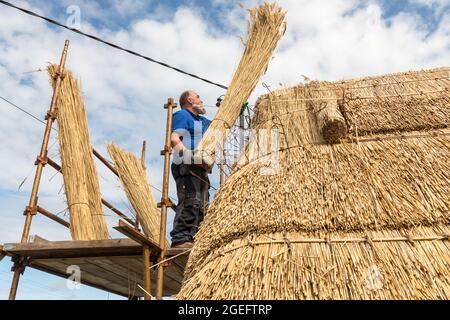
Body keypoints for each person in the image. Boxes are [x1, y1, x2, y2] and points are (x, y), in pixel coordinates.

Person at [170, 90, 211, 249]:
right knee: (191, 200)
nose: (201, 100)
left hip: (201, 167)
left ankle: (194, 239)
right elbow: (174, 138)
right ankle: (180, 239)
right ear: (189, 99)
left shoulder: (203, 121)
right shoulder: (183, 115)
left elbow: (222, 123)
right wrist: (188, 154)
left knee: (203, 206)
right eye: (198, 97)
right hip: (186, 163)